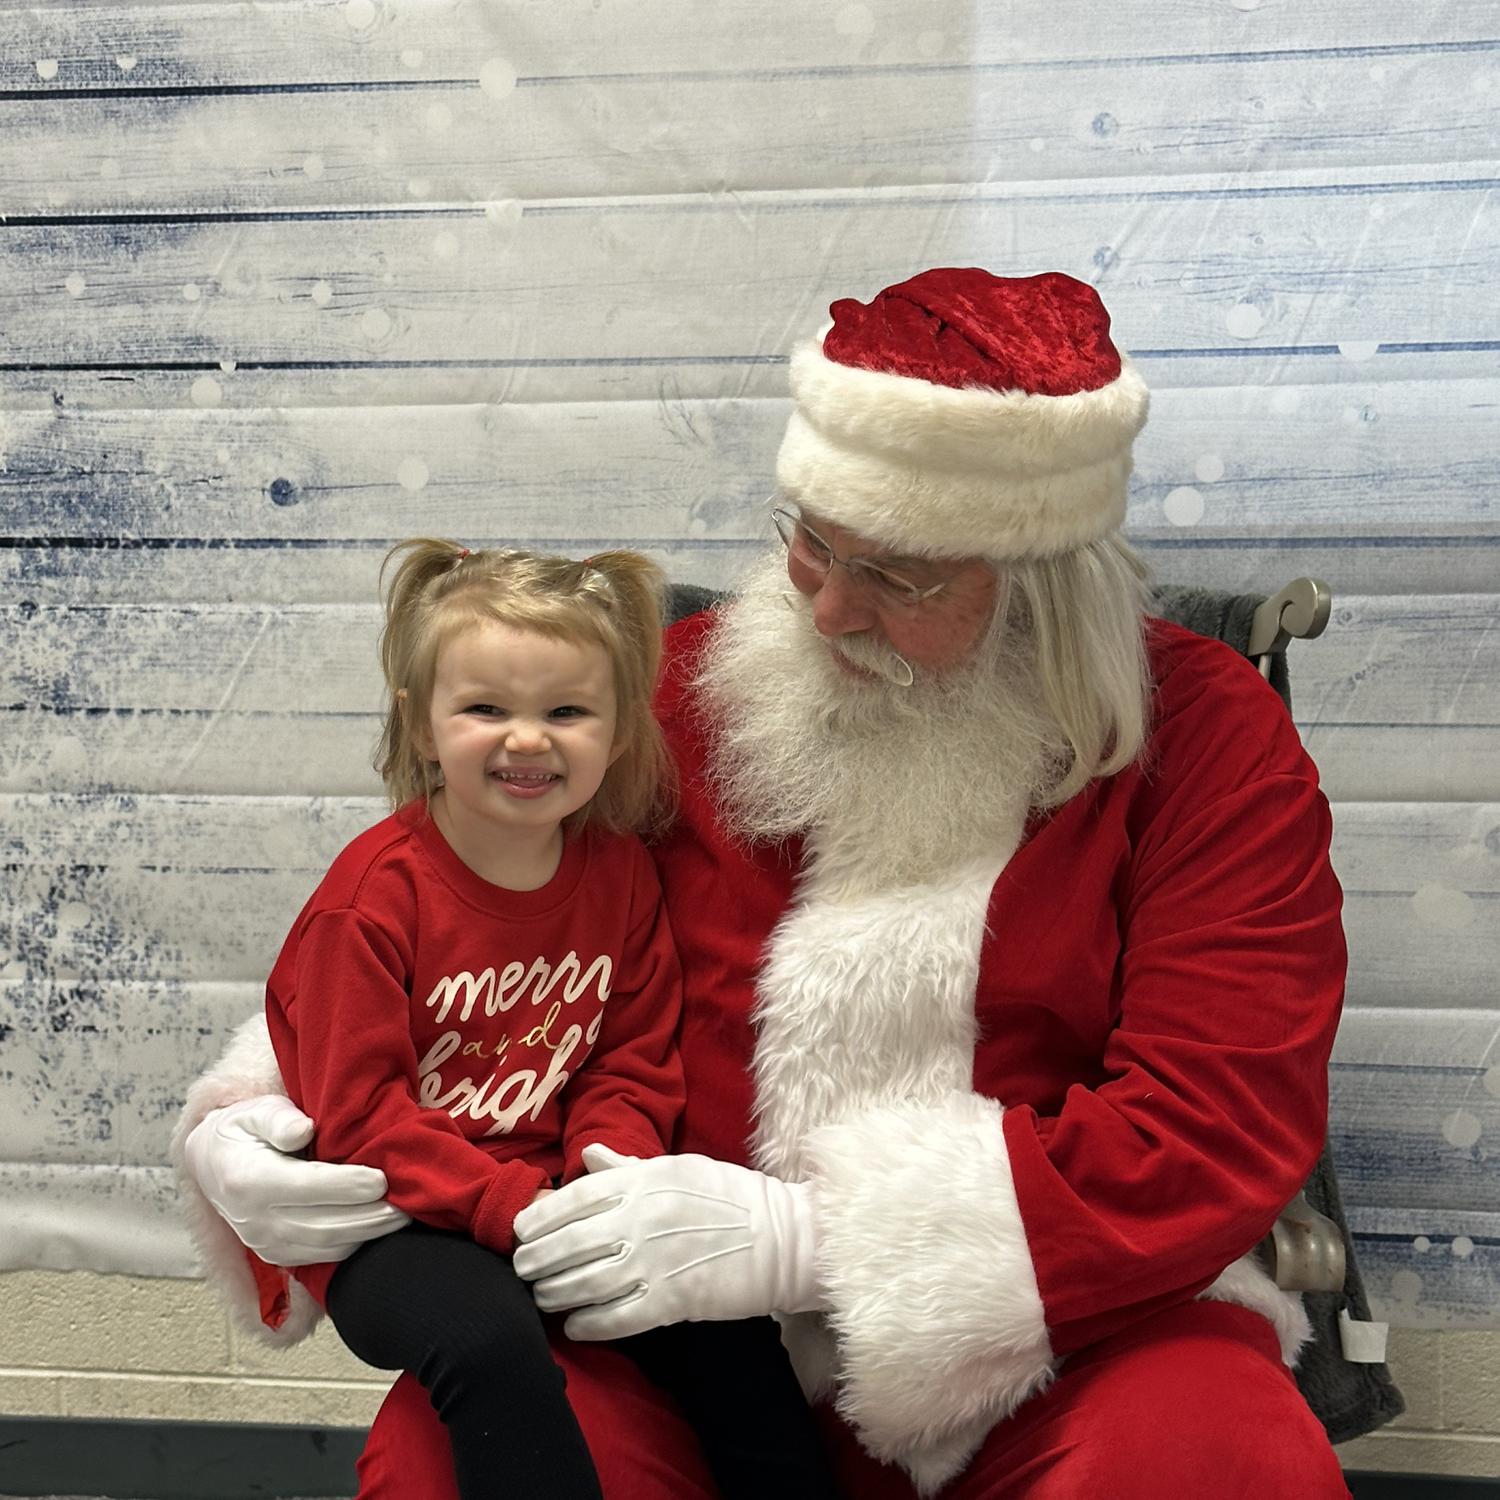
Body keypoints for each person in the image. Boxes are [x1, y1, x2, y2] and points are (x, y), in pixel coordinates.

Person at [175, 268, 1352, 1498]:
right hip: (658, 1331)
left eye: (901, 578)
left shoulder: (1199, 739)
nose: (831, 610)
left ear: (1042, 596)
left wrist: (816, 1241)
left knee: (1217, 1460)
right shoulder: (680, 687)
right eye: (811, 543)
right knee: (457, 1461)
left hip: (1058, 1336)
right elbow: (459, 921)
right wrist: (266, 1116)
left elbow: (1210, 1123)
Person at [230, 540, 835, 1500]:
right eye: (485, 709)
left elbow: (630, 1060)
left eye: (565, 712)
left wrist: (607, 1178)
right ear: (421, 725)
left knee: (726, 1331)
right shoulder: (372, 903)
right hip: (401, 1224)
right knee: (486, 1343)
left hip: (556, 1200)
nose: (527, 739)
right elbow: (363, 1117)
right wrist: (510, 1210)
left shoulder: (622, 877)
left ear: (621, 732)